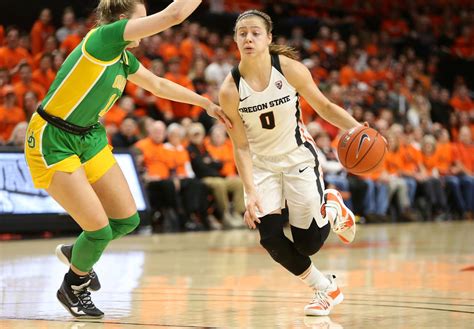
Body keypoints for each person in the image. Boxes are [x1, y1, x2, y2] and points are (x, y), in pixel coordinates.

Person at [24, 0, 229, 319]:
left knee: (127, 219)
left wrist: (204, 103)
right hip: (53, 138)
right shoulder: (103, 38)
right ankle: (73, 286)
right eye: (142, 20)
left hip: (88, 136)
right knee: (99, 231)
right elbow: (174, 15)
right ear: (122, 21)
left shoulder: (124, 59)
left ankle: (78, 254)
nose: (147, 28)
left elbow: (159, 85)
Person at [218, 10, 360, 316]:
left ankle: (332, 205)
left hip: (298, 158)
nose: (248, 38)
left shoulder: (289, 69)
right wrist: (250, 190)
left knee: (308, 245)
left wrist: (357, 128)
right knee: (270, 238)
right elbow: (240, 146)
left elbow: (323, 106)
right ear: (234, 39)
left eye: (255, 32)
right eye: (242, 33)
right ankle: (325, 288)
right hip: (261, 166)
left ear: (269, 38)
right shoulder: (230, 89)